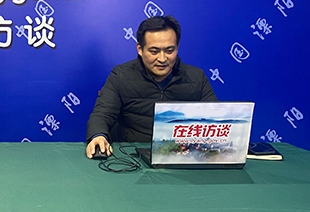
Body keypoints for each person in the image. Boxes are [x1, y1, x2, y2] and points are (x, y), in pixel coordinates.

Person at [86, 15, 217, 159]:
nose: (162, 59)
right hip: (131, 154)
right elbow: (102, 114)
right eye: (154, 51)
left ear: (177, 48)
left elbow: (215, 119)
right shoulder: (121, 75)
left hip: (182, 155)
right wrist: (98, 135)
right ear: (140, 49)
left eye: (169, 51)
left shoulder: (197, 77)